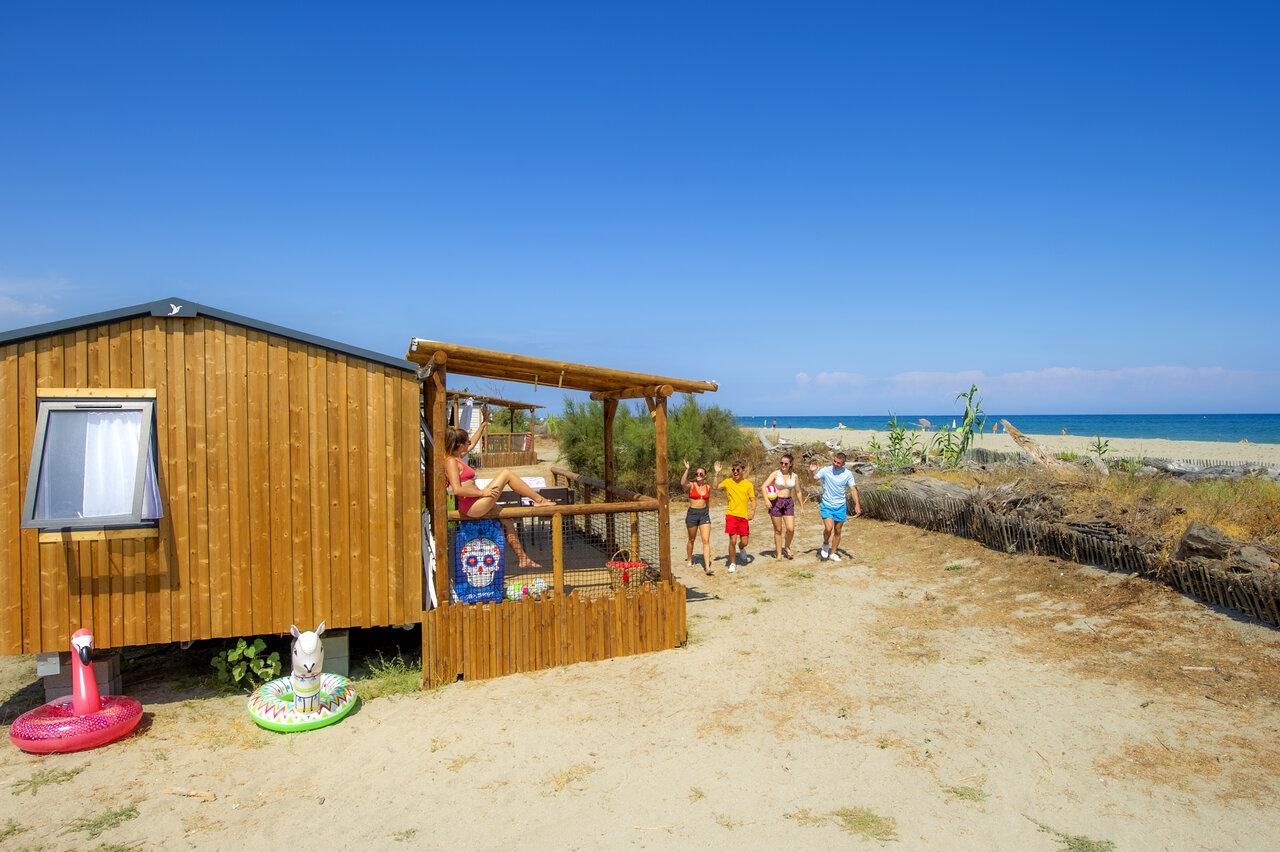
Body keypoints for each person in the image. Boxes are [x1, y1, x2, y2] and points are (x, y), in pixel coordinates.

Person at [444, 415, 554, 569]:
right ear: (461, 445)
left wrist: (483, 424)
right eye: (467, 443)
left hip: (477, 501)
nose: (470, 444)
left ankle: (523, 558)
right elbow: (457, 489)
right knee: (506, 474)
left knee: (507, 520)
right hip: (473, 505)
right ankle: (539, 500)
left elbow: (474, 442)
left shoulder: (458, 457)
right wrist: (482, 493)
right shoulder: (450, 462)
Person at [808, 451, 861, 562]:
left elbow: (853, 489)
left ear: (843, 464)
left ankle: (833, 553)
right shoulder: (826, 470)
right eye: (835, 461)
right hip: (827, 504)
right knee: (829, 528)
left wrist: (857, 504)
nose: (835, 464)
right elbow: (812, 481)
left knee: (838, 530)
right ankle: (825, 544)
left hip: (840, 505)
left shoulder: (847, 474)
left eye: (838, 463)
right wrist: (810, 472)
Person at [712, 459, 756, 572]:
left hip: (743, 516)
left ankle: (741, 549)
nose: (735, 472)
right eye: (733, 470)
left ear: (743, 471)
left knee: (744, 542)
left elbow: (753, 499)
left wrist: (752, 511)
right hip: (731, 514)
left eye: (737, 470)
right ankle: (732, 563)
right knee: (732, 541)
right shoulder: (728, 481)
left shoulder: (748, 484)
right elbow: (715, 487)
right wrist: (717, 474)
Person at [760, 453, 804, 559]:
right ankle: (779, 553)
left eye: (785, 463)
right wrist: (766, 500)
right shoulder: (775, 474)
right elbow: (763, 486)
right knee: (778, 529)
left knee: (790, 528)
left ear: (790, 464)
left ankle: (787, 547)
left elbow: (798, 491)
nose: (783, 465)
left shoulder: (794, 476)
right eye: (781, 463)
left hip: (788, 502)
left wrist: (802, 506)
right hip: (776, 502)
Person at [680, 460, 714, 575]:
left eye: (701, 474)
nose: (698, 476)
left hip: (704, 514)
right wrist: (687, 469)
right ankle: (689, 559)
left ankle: (707, 566)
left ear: (704, 476)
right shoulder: (691, 485)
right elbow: (682, 483)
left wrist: (707, 512)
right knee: (692, 539)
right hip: (693, 514)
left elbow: (707, 501)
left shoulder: (707, 487)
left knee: (706, 540)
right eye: (696, 474)